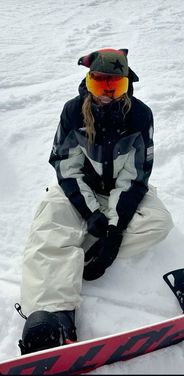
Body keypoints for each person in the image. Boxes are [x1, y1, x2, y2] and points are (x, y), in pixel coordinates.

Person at [17, 48, 174, 354]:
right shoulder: (73, 112)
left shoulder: (140, 116)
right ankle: (51, 313)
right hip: (79, 188)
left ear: (126, 84)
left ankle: (83, 249)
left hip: (120, 191)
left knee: (159, 223)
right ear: (87, 82)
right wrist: (91, 214)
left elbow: (135, 177)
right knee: (48, 227)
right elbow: (67, 167)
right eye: (98, 84)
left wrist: (114, 233)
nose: (104, 93)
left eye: (113, 85)